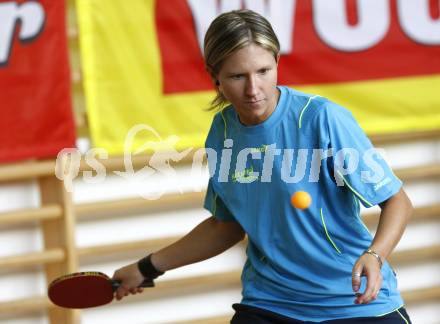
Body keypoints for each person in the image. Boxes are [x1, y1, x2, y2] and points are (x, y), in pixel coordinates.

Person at [112, 9, 413, 323]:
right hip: (272, 302)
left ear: (277, 62)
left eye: (263, 71)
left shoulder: (322, 119)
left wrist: (375, 255)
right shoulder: (223, 131)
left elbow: (397, 201)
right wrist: (146, 268)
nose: (253, 89)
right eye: (237, 76)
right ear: (215, 76)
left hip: (354, 298)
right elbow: (224, 226)